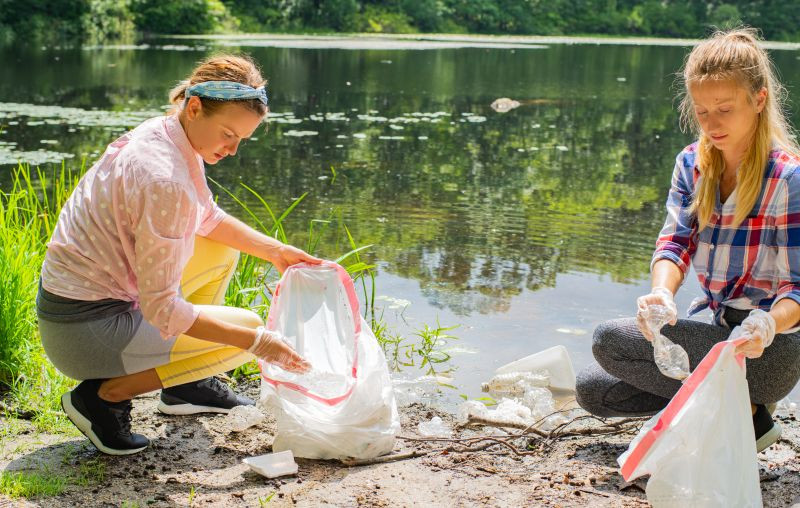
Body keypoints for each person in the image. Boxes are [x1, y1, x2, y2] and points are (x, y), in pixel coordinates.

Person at [37, 54, 319, 455]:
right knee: (243, 334)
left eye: (242, 139)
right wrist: (257, 343)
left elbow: (206, 217)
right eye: (227, 134)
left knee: (220, 249)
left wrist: (275, 251)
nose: (233, 149)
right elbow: (163, 311)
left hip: (81, 309)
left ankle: (185, 385)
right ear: (194, 106)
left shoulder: (169, 134)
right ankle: (102, 398)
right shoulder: (164, 177)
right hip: (85, 333)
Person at [575, 28, 800, 453]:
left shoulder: (789, 178)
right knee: (592, 389)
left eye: (724, 110)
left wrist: (767, 323)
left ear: (759, 100)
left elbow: (798, 287)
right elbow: (675, 244)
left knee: (609, 340)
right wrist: (661, 294)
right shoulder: (690, 164)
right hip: (714, 331)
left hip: (771, 351)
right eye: (701, 112)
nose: (711, 124)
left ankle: (746, 412)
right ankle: (738, 415)